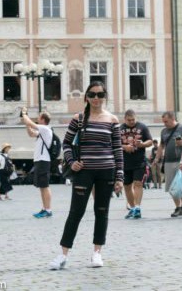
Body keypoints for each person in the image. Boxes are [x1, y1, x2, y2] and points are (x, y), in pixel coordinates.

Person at [49, 81, 123, 270]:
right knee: (76, 212)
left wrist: (120, 177)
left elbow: (117, 149)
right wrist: (71, 161)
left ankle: (97, 253)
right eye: (92, 94)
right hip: (83, 172)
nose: (96, 98)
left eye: (100, 94)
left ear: (105, 96)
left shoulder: (113, 120)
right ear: (86, 97)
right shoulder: (79, 118)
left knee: (102, 211)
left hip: (106, 170)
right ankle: (63, 255)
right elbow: (65, 144)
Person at [153, 111, 182, 217]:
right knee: (171, 186)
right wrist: (157, 158)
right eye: (163, 122)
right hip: (168, 161)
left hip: (181, 161)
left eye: (166, 121)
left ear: (173, 118)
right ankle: (177, 207)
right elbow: (161, 146)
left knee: (181, 185)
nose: (164, 124)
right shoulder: (164, 131)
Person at [120, 109, 152, 219]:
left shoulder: (142, 127)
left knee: (138, 183)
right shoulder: (120, 129)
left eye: (133, 119)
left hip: (139, 162)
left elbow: (150, 141)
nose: (132, 122)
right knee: (127, 186)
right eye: (129, 120)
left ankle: (138, 208)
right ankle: (132, 208)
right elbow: (113, 145)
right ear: (125, 119)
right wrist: (125, 147)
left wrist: (142, 144)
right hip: (124, 162)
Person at [22, 109, 54, 218]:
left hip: (44, 160)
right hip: (40, 160)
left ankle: (48, 210)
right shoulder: (41, 132)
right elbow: (31, 133)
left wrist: (24, 114)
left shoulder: (45, 129)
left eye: (39, 117)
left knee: (45, 185)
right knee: (41, 186)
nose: (37, 119)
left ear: (43, 119)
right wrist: (27, 125)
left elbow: (30, 123)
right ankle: (44, 208)